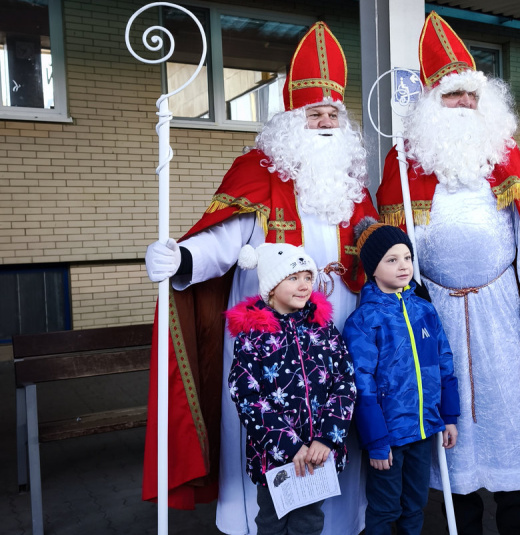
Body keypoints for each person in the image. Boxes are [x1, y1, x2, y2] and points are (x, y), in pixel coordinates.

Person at [141, 22, 376, 535]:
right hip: (267, 336)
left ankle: (335, 525)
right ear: (292, 120)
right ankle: (261, 523)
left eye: (333, 114)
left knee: (334, 417)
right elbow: (224, 242)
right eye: (313, 114)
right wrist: (182, 258)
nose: (325, 123)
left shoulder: (351, 185)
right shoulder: (257, 170)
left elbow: (374, 247)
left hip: (336, 328)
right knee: (269, 421)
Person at [376, 12, 520, 535]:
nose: (463, 103)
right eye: (453, 95)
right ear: (433, 102)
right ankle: (463, 513)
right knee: (448, 408)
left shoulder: (506, 154)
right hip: (434, 309)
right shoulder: (404, 162)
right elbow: (396, 239)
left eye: (471, 95)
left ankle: (519, 512)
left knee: (505, 404)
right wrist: (407, 287)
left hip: (499, 305)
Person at [226, 243, 356, 535]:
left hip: (317, 453)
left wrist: (326, 438)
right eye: (293, 277)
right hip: (275, 456)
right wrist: (289, 446)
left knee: (309, 522)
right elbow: (246, 397)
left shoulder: (324, 329)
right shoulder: (253, 337)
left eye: (308, 277)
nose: (304, 285)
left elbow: (344, 383)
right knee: (272, 522)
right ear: (271, 287)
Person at [342, 220, 459, 535]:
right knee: (385, 508)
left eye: (407, 257)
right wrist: (376, 439)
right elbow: (361, 384)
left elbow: (444, 363)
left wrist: (449, 417)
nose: (404, 265)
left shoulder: (425, 310)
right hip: (389, 436)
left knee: (415, 504)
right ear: (373, 269)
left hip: (423, 430)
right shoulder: (364, 320)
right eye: (392, 260)